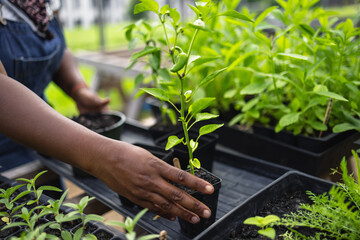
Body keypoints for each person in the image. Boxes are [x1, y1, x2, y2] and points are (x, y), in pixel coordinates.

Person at [0, 0, 214, 223]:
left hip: (48, 137)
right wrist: (104, 157)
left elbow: (56, 46)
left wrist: (78, 89)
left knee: (53, 222)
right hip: (7, 153)